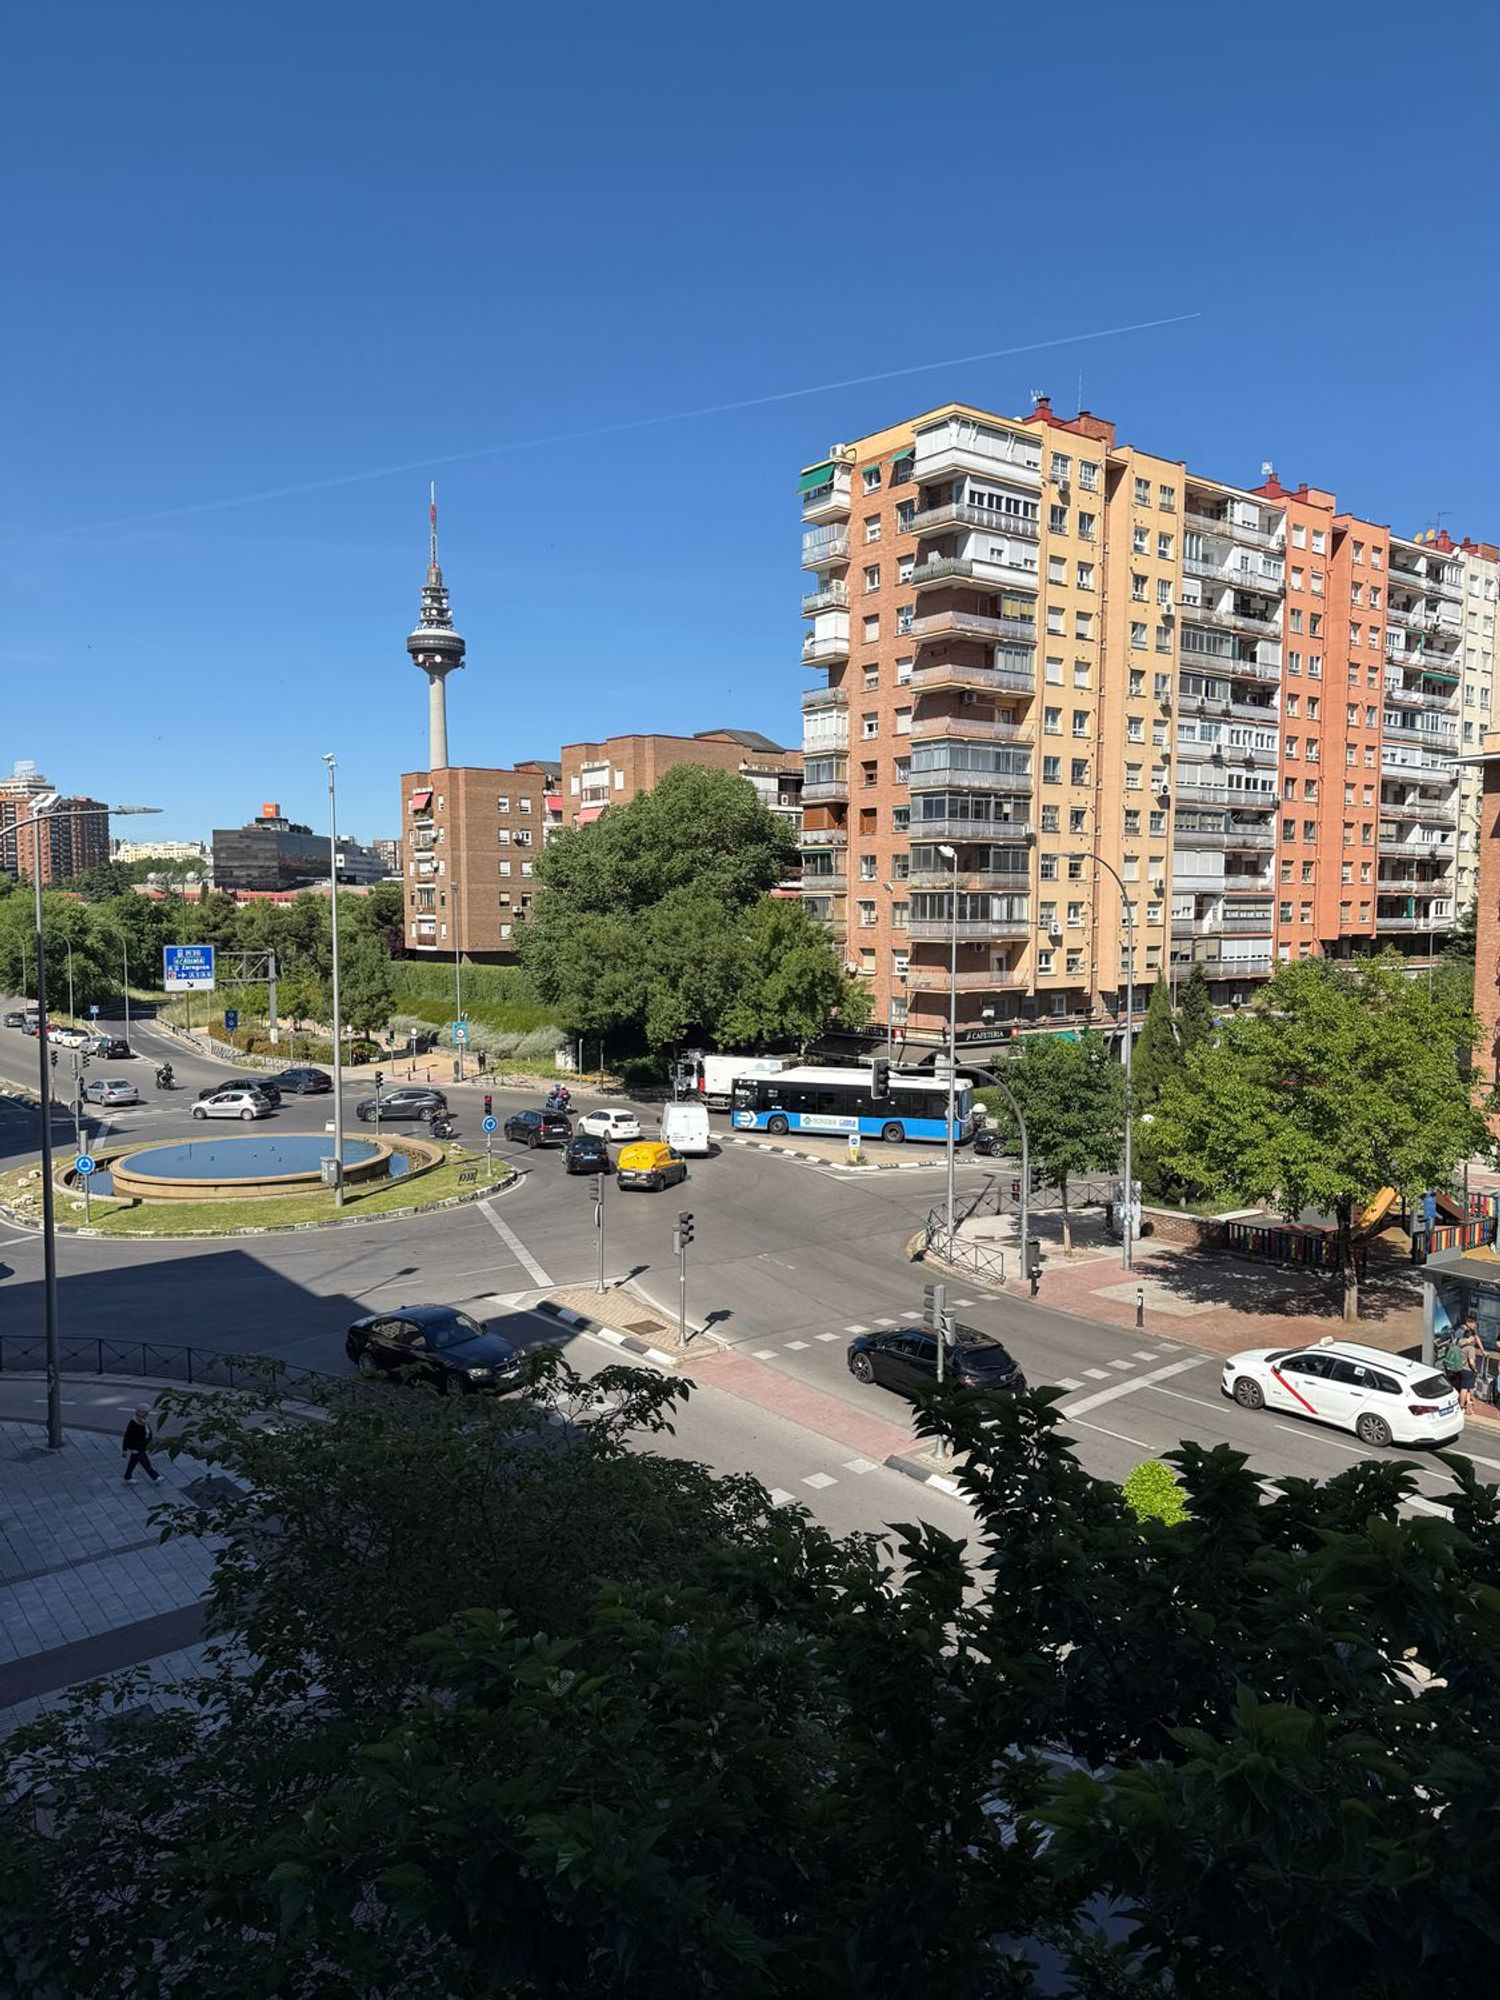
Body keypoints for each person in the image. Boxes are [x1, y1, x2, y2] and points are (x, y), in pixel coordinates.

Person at [122, 1406, 160, 1484]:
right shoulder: (133, 1424)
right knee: (145, 1463)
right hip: (137, 1447)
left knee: (133, 1462)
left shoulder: (144, 1421)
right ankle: (155, 1477)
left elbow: (148, 1432)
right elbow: (127, 1437)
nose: (147, 1415)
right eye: (146, 1413)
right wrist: (124, 1449)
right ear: (141, 1414)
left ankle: (127, 1477)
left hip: (141, 1446)